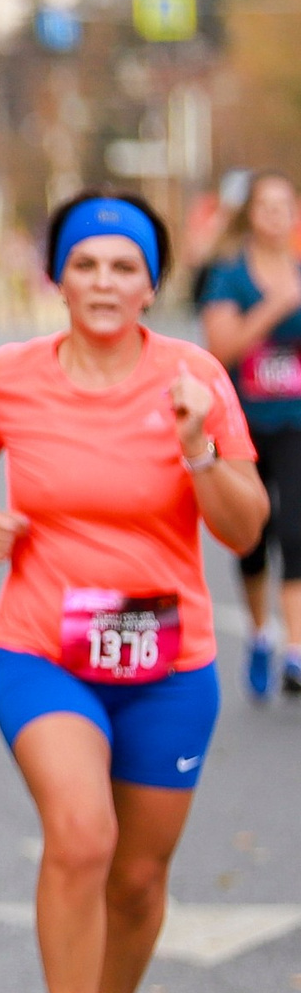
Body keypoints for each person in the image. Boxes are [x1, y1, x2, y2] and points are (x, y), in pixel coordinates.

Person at [0, 192, 265, 993]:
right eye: (87, 265)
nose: (105, 282)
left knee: (141, 876)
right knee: (81, 836)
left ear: (151, 283)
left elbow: (245, 527)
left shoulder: (194, 376)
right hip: (46, 648)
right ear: (60, 277)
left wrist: (199, 442)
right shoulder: (9, 376)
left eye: (125, 267)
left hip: (171, 661)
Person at [195, 170, 301, 699]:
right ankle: (261, 632)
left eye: (286, 206)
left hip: (297, 422)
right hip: (243, 425)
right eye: (267, 206)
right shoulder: (228, 277)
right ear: (251, 215)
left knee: (298, 531)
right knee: (253, 539)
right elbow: (220, 350)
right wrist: (275, 307)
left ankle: (297, 651)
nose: (277, 216)